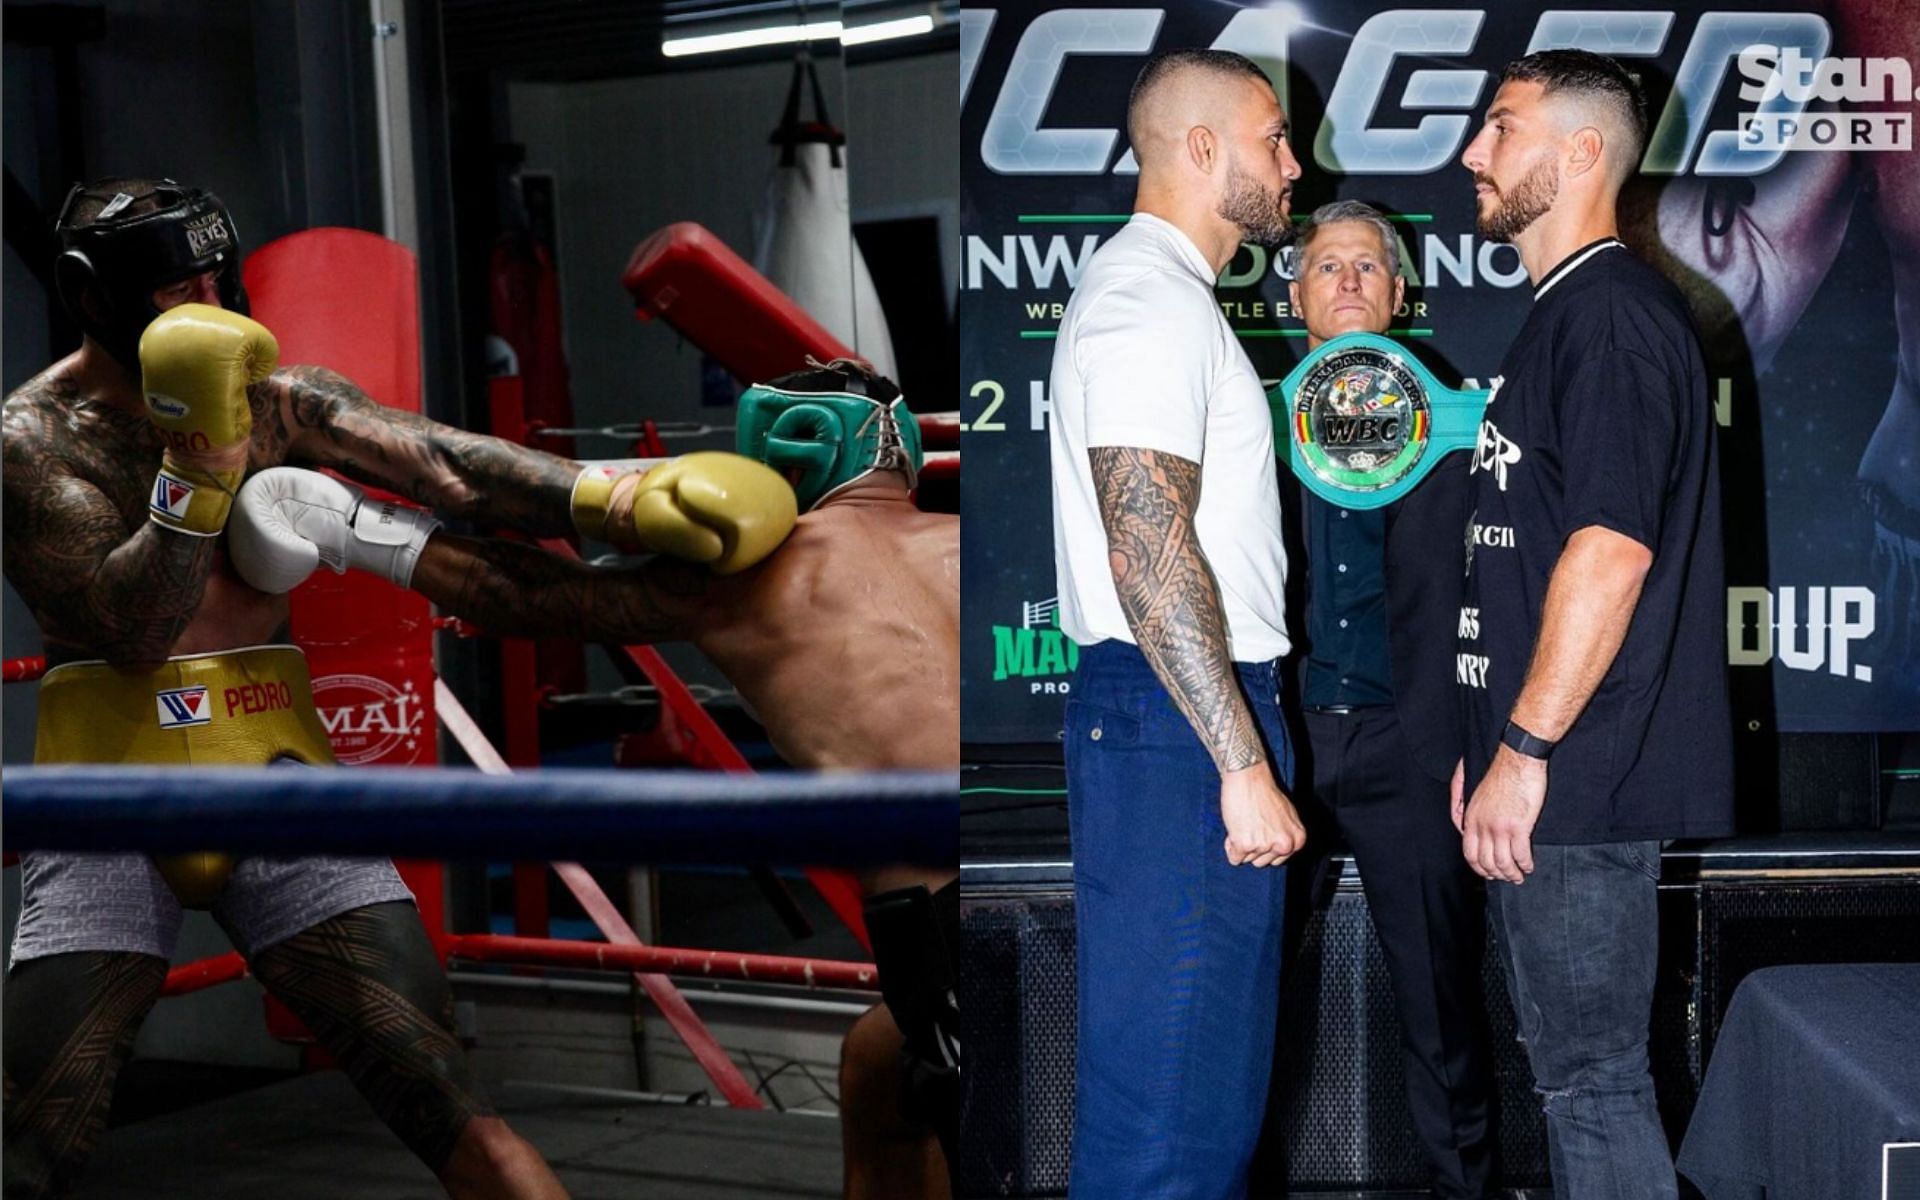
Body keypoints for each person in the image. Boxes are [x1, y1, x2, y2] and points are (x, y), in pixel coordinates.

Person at [1, 178, 788, 1198]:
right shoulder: (31, 440)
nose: (210, 303)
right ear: (95, 297)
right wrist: (198, 472)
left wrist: (610, 499)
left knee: (448, 1100)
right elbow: (133, 628)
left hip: (271, 767)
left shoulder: (271, 397)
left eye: (215, 275)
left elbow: (441, 463)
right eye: (175, 288)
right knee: (31, 1140)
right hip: (111, 789)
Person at [227, 357, 960, 1200]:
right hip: (1081, 887)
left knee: (999, 1138)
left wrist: (351, 527)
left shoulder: (759, 571)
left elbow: (543, 599)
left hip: (944, 936)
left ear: (778, 452)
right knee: (880, 1068)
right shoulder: (983, 554)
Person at [1455, 51, 1734, 1197]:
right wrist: (1488, 752)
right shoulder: (1566, 317)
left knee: (1592, 1084)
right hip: (1548, 783)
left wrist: (1524, 752)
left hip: (1581, 781)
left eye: (1501, 128)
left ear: (1580, 152)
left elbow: (1609, 558)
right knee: (1575, 1077)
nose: (1473, 152)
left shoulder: (1611, 320)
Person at [1045, 48, 1304, 1197]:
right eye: (1274, 138)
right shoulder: (1149, 303)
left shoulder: (1163, 299)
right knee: (1169, 1144)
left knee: (1190, 1115)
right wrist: (1239, 764)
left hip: (1177, 722)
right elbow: (1146, 552)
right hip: (1183, 729)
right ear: (1202, 151)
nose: (1294, 166)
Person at [1283, 200, 1494, 1199]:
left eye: (1370, 267)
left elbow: (1501, 592)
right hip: (1277, 746)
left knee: (1440, 1014)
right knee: (1245, 1004)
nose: (1352, 281)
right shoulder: (1244, 419)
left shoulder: (1457, 422)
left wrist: (1471, 744)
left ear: (1401, 295)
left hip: (1412, 747)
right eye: (1329, 268)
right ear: (1297, 299)